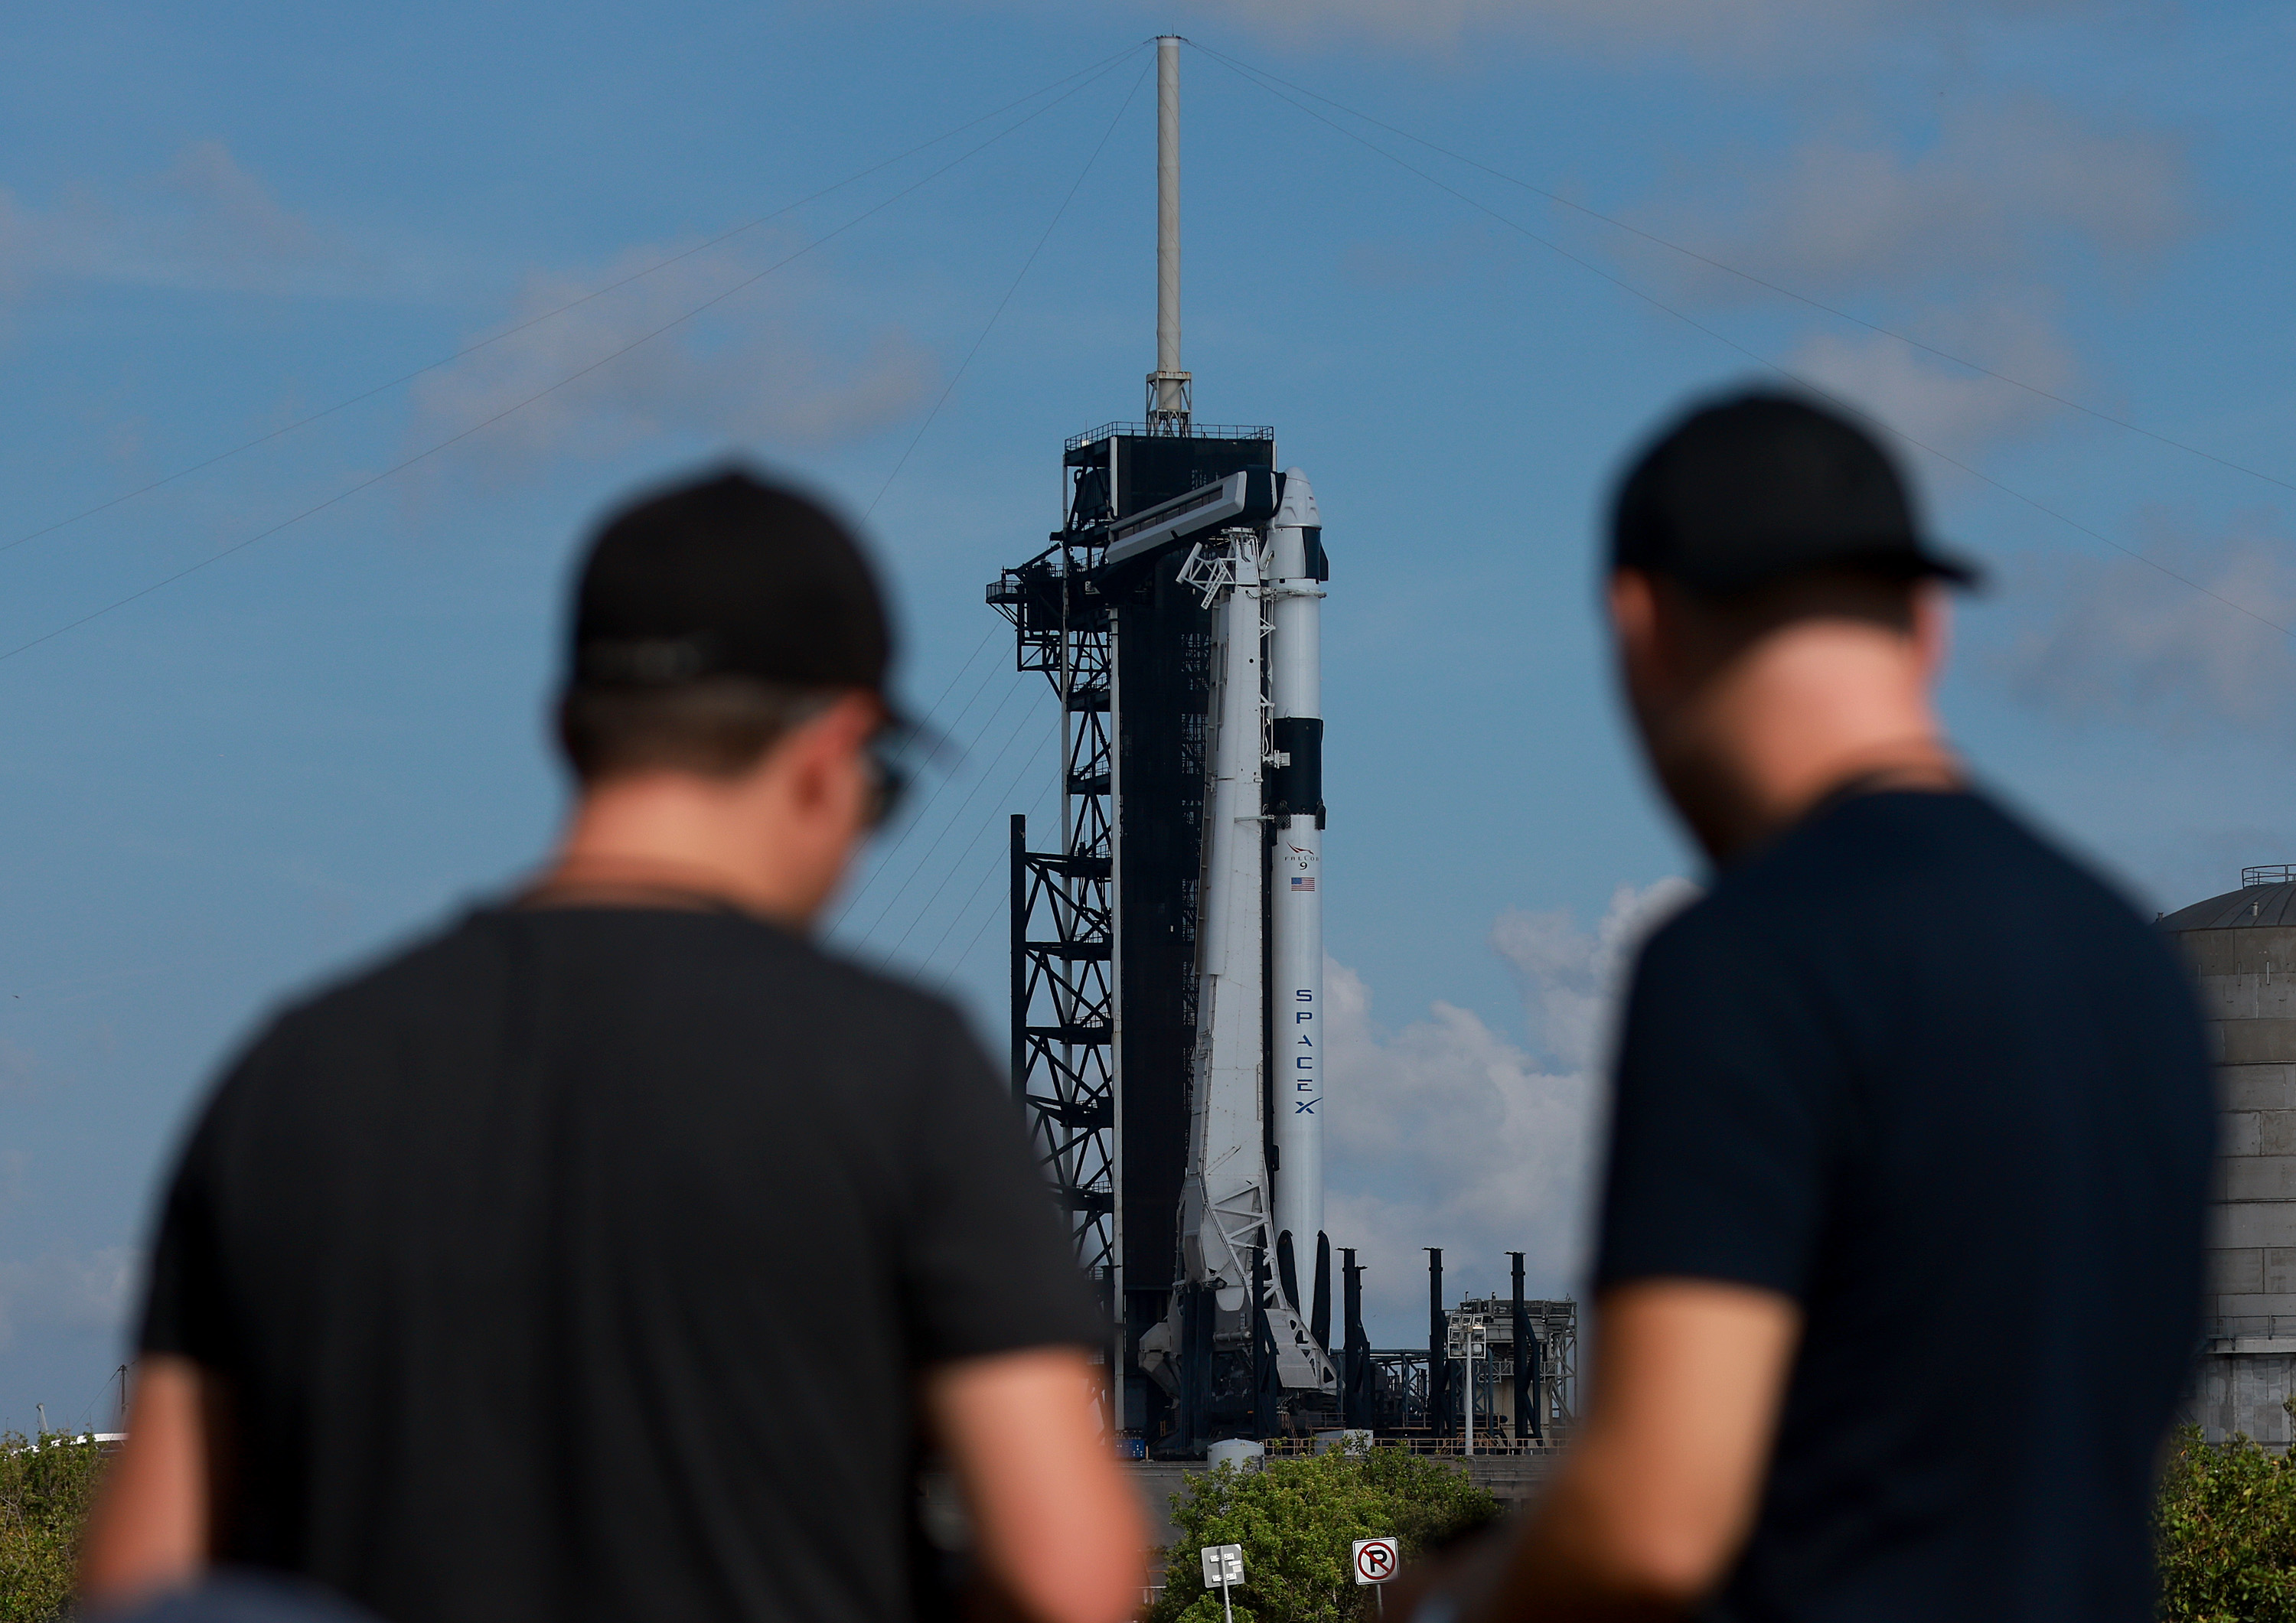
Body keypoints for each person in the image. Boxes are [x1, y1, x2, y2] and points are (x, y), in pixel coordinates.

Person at [80, 470, 1146, 1623]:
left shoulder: (288, 1078)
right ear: (831, 754)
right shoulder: (905, 1072)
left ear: (566, 733)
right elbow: (1068, 1569)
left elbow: (143, 1584)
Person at [1430, 394, 2213, 1621]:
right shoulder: (2135, 963)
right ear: (1928, 625)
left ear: (1642, 626)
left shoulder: (1745, 960)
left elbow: (1652, 1520)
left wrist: (1453, 1604)